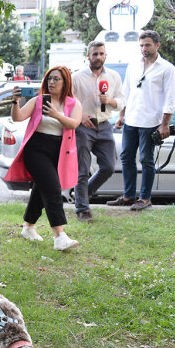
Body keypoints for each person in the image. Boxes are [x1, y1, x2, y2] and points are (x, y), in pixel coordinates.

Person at [5, 65, 82, 251]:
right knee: (53, 189)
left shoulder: (73, 103)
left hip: (59, 151)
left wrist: (56, 114)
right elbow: (18, 118)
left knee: (41, 190)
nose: (51, 82)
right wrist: (15, 101)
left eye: (56, 79)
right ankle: (59, 236)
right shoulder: (38, 101)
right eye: (49, 79)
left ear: (65, 82)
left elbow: (74, 123)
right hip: (36, 149)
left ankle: (28, 227)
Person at [108, 30, 175, 211]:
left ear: (157, 45)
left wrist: (164, 123)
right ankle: (129, 196)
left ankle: (145, 198)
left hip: (151, 122)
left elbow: (171, 98)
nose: (144, 49)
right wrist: (121, 116)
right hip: (131, 120)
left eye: (147, 45)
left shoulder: (167, 68)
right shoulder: (134, 65)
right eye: (141, 45)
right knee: (126, 157)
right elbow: (126, 91)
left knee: (146, 159)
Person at [72, 41, 125, 222]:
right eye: (94, 54)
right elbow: (67, 102)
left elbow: (121, 101)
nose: (98, 57)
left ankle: (83, 194)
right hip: (83, 127)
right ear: (88, 56)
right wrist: (79, 117)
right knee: (83, 169)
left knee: (109, 166)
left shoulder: (114, 76)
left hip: (104, 125)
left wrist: (109, 100)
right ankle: (82, 209)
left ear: (105, 56)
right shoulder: (77, 77)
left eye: (101, 54)